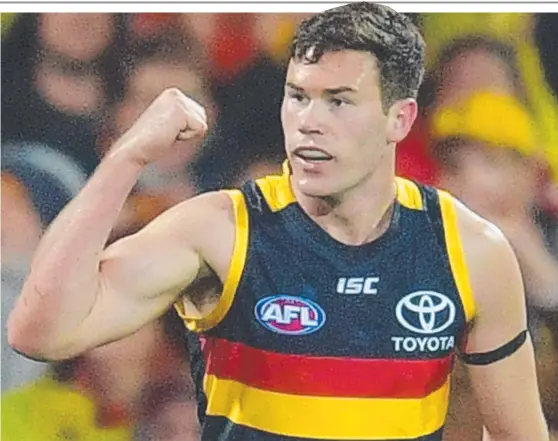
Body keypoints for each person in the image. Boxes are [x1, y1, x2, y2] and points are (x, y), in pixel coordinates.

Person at [7, 3, 549, 441]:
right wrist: (127, 158)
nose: (310, 123)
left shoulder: (470, 249)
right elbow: (41, 332)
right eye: (298, 97)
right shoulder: (221, 230)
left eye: (339, 101)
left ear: (399, 118)